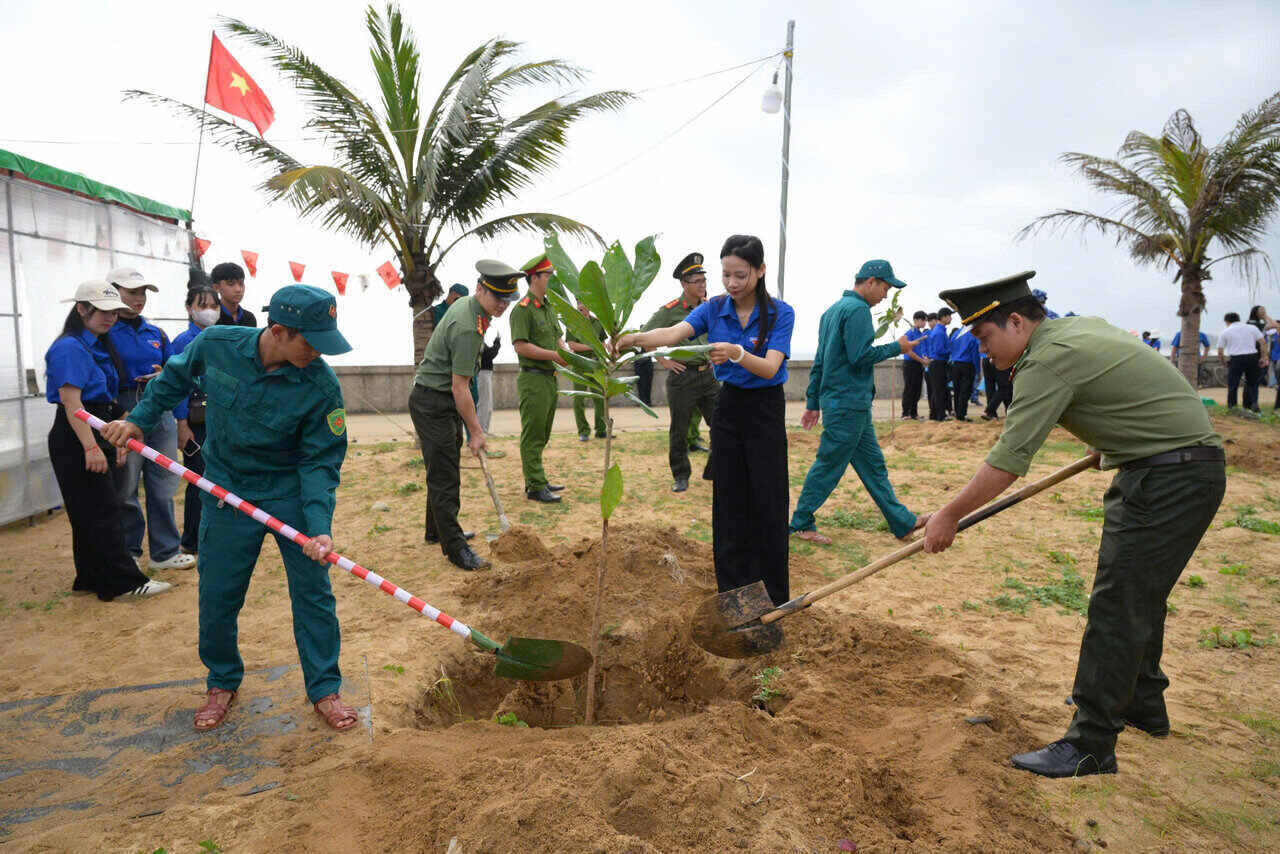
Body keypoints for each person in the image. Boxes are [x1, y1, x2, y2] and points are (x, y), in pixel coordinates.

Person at [925, 271, 1225, 779]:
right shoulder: (1077, 329)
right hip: (1178, 466)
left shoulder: (1044, 360)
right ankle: (1141, 704)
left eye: (984, 337)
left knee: (1119, 603)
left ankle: (1090, 745)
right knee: (1138, 594)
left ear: (1016, 321)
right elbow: (1123, 381)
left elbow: (1008, 459)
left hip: (1167, 478)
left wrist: (949, 515)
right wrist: (1113, 429)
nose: (982, 350)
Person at [101, 285, 355, 734]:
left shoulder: (320, 384)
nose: (318, 352)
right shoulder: (217, 344)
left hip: (288, 493)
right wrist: (138, 418)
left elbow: (320, 460)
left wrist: (318, 526)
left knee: (313, 593)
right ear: (278, 330)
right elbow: (172, 380)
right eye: (311, 341)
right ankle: (222, 681)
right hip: (226, 490)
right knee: (217, 593)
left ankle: (325, 689)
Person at [619, 235, 795, 606]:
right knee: (729, 502)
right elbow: (672, 333)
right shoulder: (713, 309)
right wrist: (632, 338)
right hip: (728, 408)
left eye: (741, 275)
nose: (732, 284)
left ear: (761, 271)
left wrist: (735, 354)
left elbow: (769, 368)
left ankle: (774, 597)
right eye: (726, 275)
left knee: (768, 500)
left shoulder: (781, 313)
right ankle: (732, 594)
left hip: (765, 410)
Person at [45, 282, 171, 601]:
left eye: (114, 311)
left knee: (94, 509)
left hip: (101, 426)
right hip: (78, 433)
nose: (110, 317)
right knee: (101, 510)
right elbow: (73, 405)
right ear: (82, 309)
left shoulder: (98, 345)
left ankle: (90, 577)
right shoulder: (70, 347)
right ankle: (124, 582)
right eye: (103, 310)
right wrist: (90, 447)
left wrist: (121, 432)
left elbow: (107, 400)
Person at [788, 260, 926, 544]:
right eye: (885, 287)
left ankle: (903, 522)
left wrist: (813, 401)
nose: (886, 295)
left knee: (873, 466)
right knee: (829, 465)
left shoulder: (832, 311)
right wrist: (896, 347)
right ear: (870, 282)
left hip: (848, 404)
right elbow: (860, 356)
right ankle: (801, 522)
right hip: (848, 403)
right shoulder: (858, 310)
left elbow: (820, 362)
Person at [410, 261, 520, 571]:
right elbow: (461, 388)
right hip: (434, 401)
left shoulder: (475, 312)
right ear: (479, 289)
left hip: (438, 398)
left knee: (440, 466)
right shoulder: (467, 325)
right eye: (497, 297)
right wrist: (476, 432)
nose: (502, 305)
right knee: (446, 476)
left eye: (506, 300)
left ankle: (437, 530)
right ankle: (455, 548)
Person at [105, 268, 196, 572]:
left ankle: (164, 551)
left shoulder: (155, 333)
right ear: (113, 291)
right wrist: (118, 412)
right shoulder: (103, 333)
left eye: (142, 292)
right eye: (132, 292)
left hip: (163, 409)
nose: (139, 299)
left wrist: (181, 421)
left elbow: (178, 377)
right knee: (127, 485)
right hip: (124, 409)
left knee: (164, 482)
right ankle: (128, 550)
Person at [640, 252, 720, 492]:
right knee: (680, 430)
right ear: (684, 284)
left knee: (722, 425)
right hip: (682, 377)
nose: (702, 285)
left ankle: (714, 470)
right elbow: (645, 335)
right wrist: (664, 360)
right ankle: (681, 475)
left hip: (708, 376)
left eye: (704, 280)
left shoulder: (710, 308)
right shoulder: (671, 310)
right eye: (697, 281)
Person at [510, 254, 568, 502]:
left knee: (543, 433)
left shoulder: (548, 308)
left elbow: (558, 339)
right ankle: (534, 485)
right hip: (532, 379)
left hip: (549, 377)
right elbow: (521, 346)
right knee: (533, 433)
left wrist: (567, 354)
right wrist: (555, 354)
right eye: (548, 276)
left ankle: (539, 478)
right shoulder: (522, 310)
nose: (552, 280)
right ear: (534, 278)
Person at [172, 285, 222, 555]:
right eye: (203, 304)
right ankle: (191, 540)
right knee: (198, 479)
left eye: (214, 305)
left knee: (219, 478)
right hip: (195, 420)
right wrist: (182, 423)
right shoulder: (182, 341)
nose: (209, 311)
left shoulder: (220, 338)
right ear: (189, 308)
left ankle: (213, 534)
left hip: (219, 419)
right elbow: (176, 384)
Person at [566, 300, 609, 442]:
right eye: (578, 303)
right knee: (578, 400)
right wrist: (592, 346)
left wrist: (601, 350)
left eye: (583, 302)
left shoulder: (597, 322)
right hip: (579, 366)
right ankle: (583, 431)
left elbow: (603, 343)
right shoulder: (572, 322)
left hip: (596, 366)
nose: (580, 306)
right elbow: (572, 345)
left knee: (600, 398)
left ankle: (601, 430)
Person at [1217, 312, 1265, 412]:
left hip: (1236, 359)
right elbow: (1263, 342)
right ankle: (1253, 404)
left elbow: (1220, 351)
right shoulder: (1252, 328)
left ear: (1227, 321)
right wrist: (1263, 357)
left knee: (1233, 385)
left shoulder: (1225, 332)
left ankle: (1232, 407)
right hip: (1252, 357)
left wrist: (1222, 362)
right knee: (1253, 384)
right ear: (1238, 319)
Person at [948, 323, 982, 421]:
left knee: (957, 390)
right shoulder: (972, 334)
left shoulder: (956, 333)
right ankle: (962, 415)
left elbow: (951, 347)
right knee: (965, 391)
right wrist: (977, 369)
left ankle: (958, 414)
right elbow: (975, 352)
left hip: (955, 364)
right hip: (967, 364)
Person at [925, 307, 953, 421]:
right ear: (944, 317)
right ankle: (940, 416)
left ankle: (935, 415)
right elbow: (939, 350)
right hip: (938, 364)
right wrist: (951, 350)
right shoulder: (939, 332)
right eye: (950, 316)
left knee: (938, 390)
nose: (951, 319)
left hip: (938, 364)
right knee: (939, 391)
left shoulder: (940, 330)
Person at [901, 311, 929, 419]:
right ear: (916, 320)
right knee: (909, 389)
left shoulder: (920, 334)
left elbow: (920, 350)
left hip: (918, 364)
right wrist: (922, 361)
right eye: (923, 321)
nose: (925, 323)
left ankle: (913, 413)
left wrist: (924, 357)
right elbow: (908, 351)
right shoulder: (910, 333)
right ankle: (905, 413)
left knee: (917, 390)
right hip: (910, 364)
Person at [210, 262, 257, 327]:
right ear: (216, 287)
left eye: (241, 283)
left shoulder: (249, 318)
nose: (238, 289)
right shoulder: (211, 318)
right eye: (231, 284)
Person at [980, 353, 1012, 420]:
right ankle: (990, 410)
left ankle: (991, 414)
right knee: (1005, 387)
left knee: (990, 387)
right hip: (1000, 358)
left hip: (986, 358)